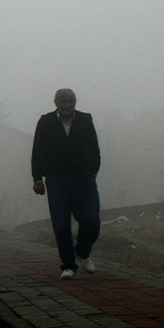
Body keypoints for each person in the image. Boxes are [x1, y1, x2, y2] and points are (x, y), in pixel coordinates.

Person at [31, 88, 101, 279]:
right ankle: (68, 266)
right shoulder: (45, 123)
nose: (67, 105)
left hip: (84, 179)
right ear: (55, 103)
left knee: (91, 220)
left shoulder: (85, 120)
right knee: (61, 224)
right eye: (63, 101)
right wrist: (37, 179)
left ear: (75, 102)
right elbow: (37, 151)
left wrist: (93, 172)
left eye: (70, 101)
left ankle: (83, 252)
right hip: (57, 180)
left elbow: (95, 149)